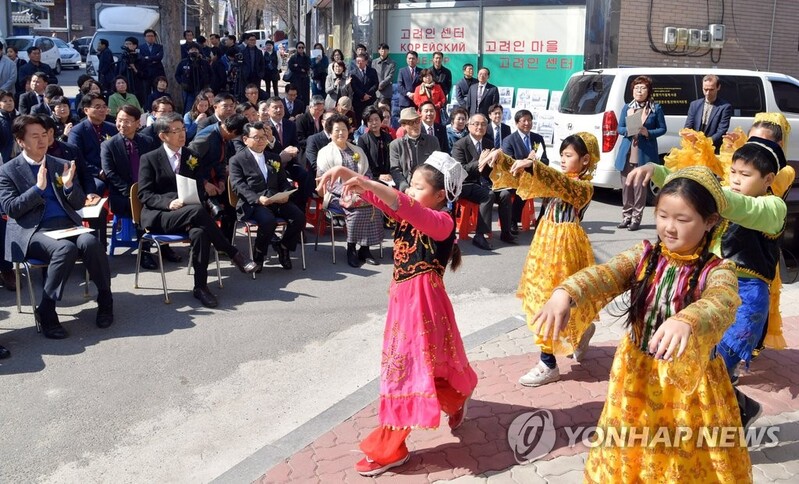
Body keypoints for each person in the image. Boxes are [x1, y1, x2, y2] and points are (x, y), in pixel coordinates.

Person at [534, 165, 749, 482]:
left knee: (681, 458)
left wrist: (688, 320)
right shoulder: (645, 255)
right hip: (636, 376)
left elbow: (722, 302)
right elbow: (606, 274)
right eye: (662, 216)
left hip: (690, 385)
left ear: (710, 222)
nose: (669, 228)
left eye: (683, 219)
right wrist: (566, 292)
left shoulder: (719, 270)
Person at [316, 152, 476, 477]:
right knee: (424, 367)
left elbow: (404, 204)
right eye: (412, 185)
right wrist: (353, 178)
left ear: (441, 194)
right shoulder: (411, 214)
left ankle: (390, 448)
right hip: (404, 302)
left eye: (419, 186)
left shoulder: (442, 222)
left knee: (403, 373)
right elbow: (386, 200)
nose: (412, 191)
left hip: (424, 307)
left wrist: (363, 180)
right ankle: (456, 399)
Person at [629, 136, 788, 430]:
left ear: (768, 179)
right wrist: (658, 171)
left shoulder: (773, 208)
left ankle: (718, 430)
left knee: (713, 369)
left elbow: (740, 207)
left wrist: (711, 192)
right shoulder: (725, 197)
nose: (736, 180)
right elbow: (696, 194)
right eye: (734, 172)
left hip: (745, 301)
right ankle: (742, 409)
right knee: (700, 367)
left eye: (746, 174)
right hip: (709, 292)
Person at [489, 132, 600, 385]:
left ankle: (548, 363)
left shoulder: (583, 188)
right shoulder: (556, 179)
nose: (562, 159)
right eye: (561, 154)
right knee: (545, 297)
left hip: (565, 250)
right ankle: (581, 331)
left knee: (551, 301)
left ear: (585, 160)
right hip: (544, 245)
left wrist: (535, 165)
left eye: (568, 155)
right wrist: (503, 160)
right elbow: (527, 178)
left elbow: (557, 181)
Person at [0, 115, 114, 339]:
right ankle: (48, 310)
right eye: (35, 136)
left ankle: (105, 298)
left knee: (91, 242)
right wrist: (38, 188)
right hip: (33, 232)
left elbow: (78, 203)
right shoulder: (8, 170)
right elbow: (11, 209)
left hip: (67, 226)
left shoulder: (59, 164)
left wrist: (70, 186)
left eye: (44, 135)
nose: (42, 140)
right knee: (65, 249)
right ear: (20, 141)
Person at [137, 112, 257, 308]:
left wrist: (196, 197)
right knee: (197, 212)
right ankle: (232, 252)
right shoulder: (149, 158)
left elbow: (199, 187)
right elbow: (144, 194)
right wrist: (169, 203)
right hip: (160, 215)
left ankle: (200, 287)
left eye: (183, 129)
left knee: (200, 232)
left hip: (189, 214)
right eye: (175, 131)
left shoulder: (191, 156)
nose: (182, 134)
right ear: (163, 136)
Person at [229, 121, 306, 272]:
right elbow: (238, 185)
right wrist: (257, 199)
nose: (261, 141)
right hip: (253, 202)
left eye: (263, 137)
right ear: (245, 139)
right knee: (268, 220)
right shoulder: (237, 160)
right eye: (256, 138)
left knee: (299, 217)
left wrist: (286, 194)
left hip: (276, 199)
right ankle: (259, 254)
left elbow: (283, 181)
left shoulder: (273, 157)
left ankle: (284, 247)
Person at [315, 114, 384, 267]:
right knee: (356, 208)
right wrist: (348, 190)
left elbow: (367, 174)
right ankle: (351, 247)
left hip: (360, 191)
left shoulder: (356, 149)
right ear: (330, 132)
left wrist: (363, 187)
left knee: (374, 204)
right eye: (337, 130)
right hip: (335, 194)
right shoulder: (325, 153)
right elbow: (325, 181)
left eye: (344, 129)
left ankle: (365, 249)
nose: (341, 133)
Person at [100, 104, 162, 270]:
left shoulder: (147, 142)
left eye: (127, 121)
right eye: (119, 120)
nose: (122, 125)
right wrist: (132, 193)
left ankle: (165, 246)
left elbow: (155, 167)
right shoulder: (108, 145)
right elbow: (110, 173)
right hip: (123, 196)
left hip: (147, 190)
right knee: (142, 208)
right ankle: (146, 252)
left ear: (137, 123)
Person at [615, 76, 667, 232]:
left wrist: (648, 132)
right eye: (637, 87)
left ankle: (636, 218)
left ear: (648, 91)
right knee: (626, 186)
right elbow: (619, 128)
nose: (639, 91)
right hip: (628, 151)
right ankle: (626, 216)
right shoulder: (627, 107)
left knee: (639, 187)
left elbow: (662, 129)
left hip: (644, 152)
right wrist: (628, 131)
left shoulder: (655, 108)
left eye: (643, 88)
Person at [450, 113, 495, 251]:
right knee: (488, 195)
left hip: (485, 181)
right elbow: (460, 170)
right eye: (476, 124)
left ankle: (507, 230)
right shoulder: (460, 145)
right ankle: (480, 235)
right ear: (469, 126)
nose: (480, 127)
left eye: (483, 124)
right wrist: (480, 161)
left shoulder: (488, 143)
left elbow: (491, 169)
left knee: (505, 193)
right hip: (465, 184)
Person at [501, 109, 549, 233]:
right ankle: (513, 220)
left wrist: (534, 162)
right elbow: (510, 163)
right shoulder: (509, 140)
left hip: (536, 175)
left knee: (551, 189)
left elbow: (545, 159)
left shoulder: (537, 138)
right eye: (524, 121)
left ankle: (542, 218)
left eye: (529, 120)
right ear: (517, 123)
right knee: (524, 188)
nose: (527, 123)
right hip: (517, 177)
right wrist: (528, 160)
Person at [68, 93, 118, 196]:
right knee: (98, 186)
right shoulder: (77, 131)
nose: (102, 110)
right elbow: (76, 158)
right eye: (97, 107)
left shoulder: (112, 128)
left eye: (104, 106)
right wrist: (98, 171)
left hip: (111, 170)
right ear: (86, 110)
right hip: (91, 173)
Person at [389, 107, 440, 193]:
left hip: (429, 189)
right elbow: (395, 170)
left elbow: (438, 166)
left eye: (417, 121)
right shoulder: (396, 145)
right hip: (408, 188)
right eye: (411, 123)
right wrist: (405, 188)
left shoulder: (432, 141)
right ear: (403, 125)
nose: (415, 125)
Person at [684, 74, 732, 152]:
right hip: (694, 148)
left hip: (712, 149)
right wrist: (688, 135)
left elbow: (721, 130)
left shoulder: (725, 107)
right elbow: (688, 125)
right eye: (705, 89)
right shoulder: (694, 105)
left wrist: (705, 142)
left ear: (718, 87)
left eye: (711, 89)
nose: (707, 93)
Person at [357, 106, 394, 185]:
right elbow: (363, 162)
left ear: (381, 120)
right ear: (366, 123)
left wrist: (390, 173)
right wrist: (377, 177)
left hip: (389, 177)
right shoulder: (363, 140)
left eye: (376, 119)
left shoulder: (388, 137)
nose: (374, 123)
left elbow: (392, 157)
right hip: (372, 179)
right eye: (370, 121)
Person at [175, 42, 211, 115]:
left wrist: (207, 83)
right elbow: (177, 75)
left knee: (203, 107)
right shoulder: (183, 62)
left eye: (195, 49)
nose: (193, 51)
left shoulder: (204, 62)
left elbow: (211, 74)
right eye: (191, 49)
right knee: (188, 108)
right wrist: (182, 83)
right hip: (188, 90)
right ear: (188, 51)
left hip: (202, 89)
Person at [117, 37, 147, 108]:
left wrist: (134, 68)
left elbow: (145, 74)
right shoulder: (122, 57)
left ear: (135, 46)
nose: (127, 45)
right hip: (125, 86)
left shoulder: (140, 58)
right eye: (126, 44)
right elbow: (118, 72)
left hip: (137, 87)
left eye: (129, 44)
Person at [349, 53, 379, 120]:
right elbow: (354, 86)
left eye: (361, 61)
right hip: (358, 100)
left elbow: (376, 84)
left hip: (370, 99)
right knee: (358, 119)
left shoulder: (372, 71)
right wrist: (362, 96)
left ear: (366, 61)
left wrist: (368, 95)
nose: (359, 63)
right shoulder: (352, 73)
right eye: (357, 62)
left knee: (370, 118)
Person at [0, 90, 18, 162]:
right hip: (5, 156)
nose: (9, 103)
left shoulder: (20, 117)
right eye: (5, 101)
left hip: (21, 153)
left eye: (11, 100)